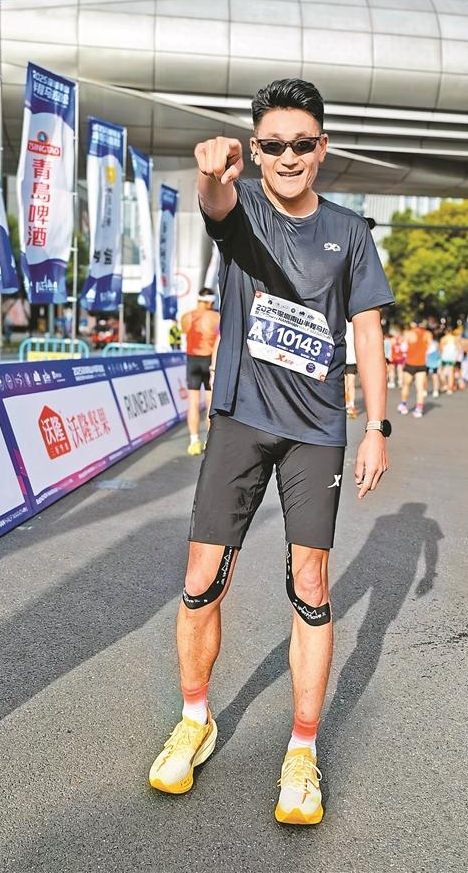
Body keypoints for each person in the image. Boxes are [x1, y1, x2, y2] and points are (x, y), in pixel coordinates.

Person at [148, 78, 394, 825]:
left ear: (322, 149)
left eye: (302, 144)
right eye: (274, 145)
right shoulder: (244, 206)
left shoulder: (350, 232)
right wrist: (210, 173)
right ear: (256, 151)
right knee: (201, 577)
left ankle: (302, 749)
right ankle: (195, 719)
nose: (289, 156)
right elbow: (216, 203)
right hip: (239, 419)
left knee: (311, 584)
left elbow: (368, 333)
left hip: (317, 430)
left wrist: (378, 427)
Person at [180, 288, 220, 456]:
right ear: (210, 301)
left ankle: (194, 440)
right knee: (210, 403)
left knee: (193, 403)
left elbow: (184, 332)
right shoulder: (216, 317)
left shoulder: (186, 317)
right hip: (210, 360)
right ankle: (209, 441)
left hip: (192, 361)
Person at [398, 320, 432, 417]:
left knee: (406, 385)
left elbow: (403, 348)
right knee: (420, 388)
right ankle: (419, 409)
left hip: (410, 363)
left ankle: (403, 406)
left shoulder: (408, 333)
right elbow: (430, 348)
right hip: (421, 364)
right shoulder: (428, 334)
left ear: (413, 324)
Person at [344, 321, 358, 418]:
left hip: (351, 359)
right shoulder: (341, 322)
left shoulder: (355, 323)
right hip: (343, 358)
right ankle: (347, 403)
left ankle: (351, 405)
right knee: (345, 384)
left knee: (350, 384)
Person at [439, 328, 458, 393]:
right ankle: (450, 388)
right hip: (452, 358)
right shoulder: (455, 338)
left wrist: (440, 357)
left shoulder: (443, 339)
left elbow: (440, 349)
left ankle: (445, 385)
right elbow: (458, 348)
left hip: (444, 357)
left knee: (442, 372)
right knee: (451, 373)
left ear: (445, 332)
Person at [426, 333, 440, 399]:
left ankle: (435, 390)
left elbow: (439, 352)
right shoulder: (425, 343)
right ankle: (424, 390)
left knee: (434, 375)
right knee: (425, 376)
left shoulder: (435, 343)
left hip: (433, 362)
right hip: (426, 362)